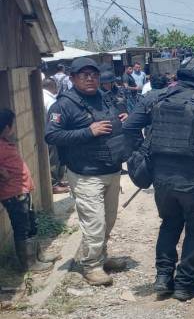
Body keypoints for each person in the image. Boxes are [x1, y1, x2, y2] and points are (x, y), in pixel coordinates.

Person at [123, 57, 194, 301]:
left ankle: (163, 278)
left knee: (169, 224)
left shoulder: (155, 98)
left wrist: (144, 150)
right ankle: (185, 284)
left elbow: (129, 127)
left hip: (162, 179)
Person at [45, 58, 130, 285]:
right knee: (95, 223)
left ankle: (101, 257)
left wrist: (124, 119)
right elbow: (51, 136)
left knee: (108, 220)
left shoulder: (104, 98)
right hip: (85, 174)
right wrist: (88, 132)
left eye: (93, 74)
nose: (90, 78)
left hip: (111, 170)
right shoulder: (63, 105)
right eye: (83, 75)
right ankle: (91, 266)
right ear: (72, 78)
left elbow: (114, 121)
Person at [1, 109, 58, 272]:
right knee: (22, 227)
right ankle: (29, 263)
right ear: (5, 127)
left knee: (31, 223)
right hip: (13, 193)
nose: (13, 130)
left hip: (22, 191)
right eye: (12, 126)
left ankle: (38, 255)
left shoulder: (5, 143)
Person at [41, 78, 69, 194]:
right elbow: (56, 119)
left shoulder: (42, 95)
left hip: (46, 133)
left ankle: (58, 181)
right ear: (53, 86)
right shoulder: (51, 100)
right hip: (54, 133)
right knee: (54, 160)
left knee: (53, 159)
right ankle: (54, 184)